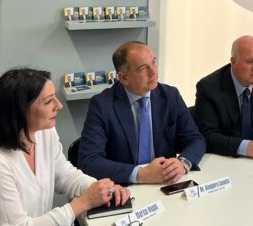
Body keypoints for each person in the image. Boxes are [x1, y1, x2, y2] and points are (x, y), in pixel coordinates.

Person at [0, 68, 129, 225]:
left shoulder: (43, 133)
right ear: (20, 110)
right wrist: (84, 202)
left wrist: (101, 188)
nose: (59, 106)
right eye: (49, 101)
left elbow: (65, 176)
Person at [78, 41, 205, 184]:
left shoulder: (170, 96)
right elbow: (88, 161)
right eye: (143, 68)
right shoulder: (102, 105)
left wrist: (183, 163)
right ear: (124, 78)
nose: (154, 72)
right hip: (124, 188)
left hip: (165, 183)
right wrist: (140, 174)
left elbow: (195, 139)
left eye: (153, 63)